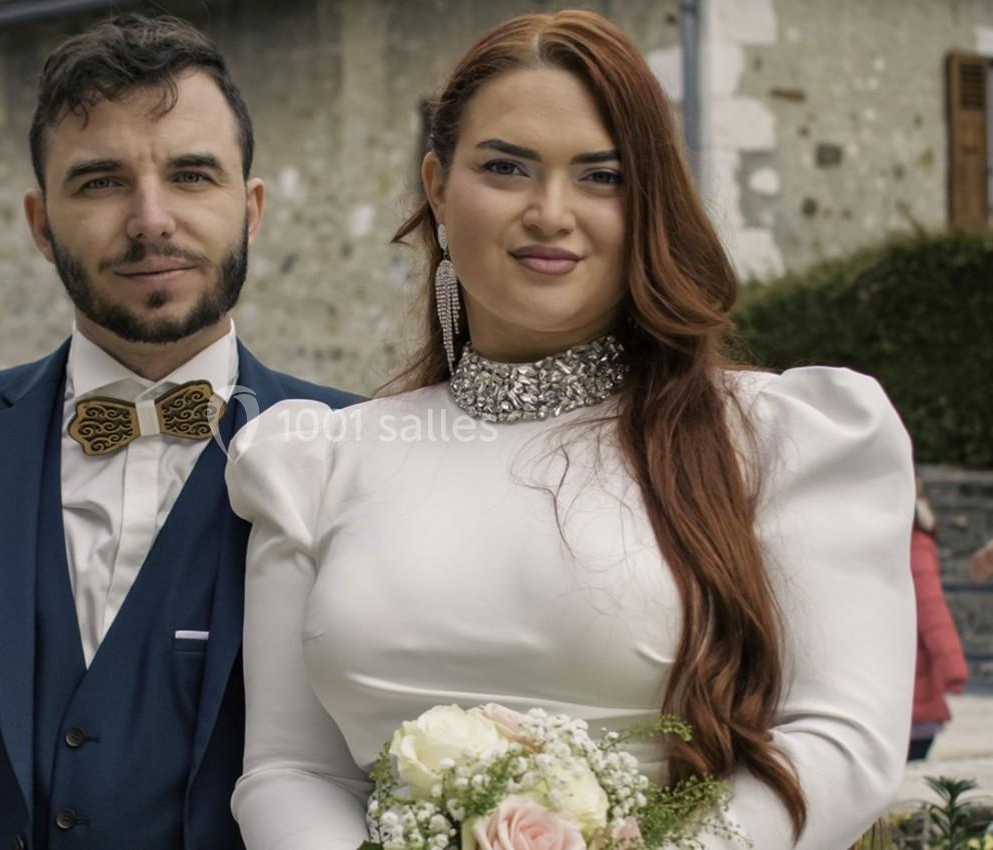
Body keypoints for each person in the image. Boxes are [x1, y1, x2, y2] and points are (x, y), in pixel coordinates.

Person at [224, 10, 915, 850]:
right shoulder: (316, 461)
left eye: (601, 176)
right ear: (437, 186)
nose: (550, 212)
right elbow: (291, 770)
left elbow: (841, 741)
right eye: (506, 167)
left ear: (648, 201)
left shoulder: (781, 440)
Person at [0, 14, 355, 850]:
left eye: (191, 175)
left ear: (251, 208)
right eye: (100, 182)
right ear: (41, 223)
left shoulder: (354, 449)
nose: (151, 219)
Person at [908, 485, 968, 761]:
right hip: (911, 701)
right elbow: (932, 610)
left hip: (907, 699)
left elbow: (931, 610)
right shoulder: (914, 543)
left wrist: (953, 670)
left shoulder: (910, 544)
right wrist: (953, 670)